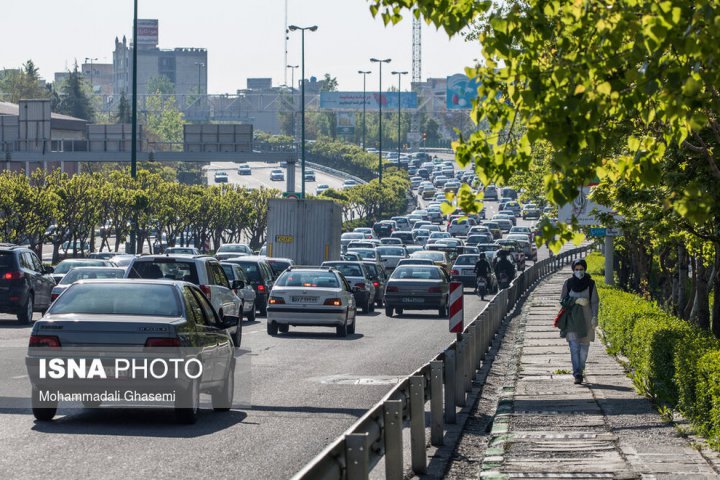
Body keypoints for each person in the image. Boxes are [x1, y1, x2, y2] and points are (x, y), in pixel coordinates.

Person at [560, 259, 599, 384]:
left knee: (584, 348)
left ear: (585, 269)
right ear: (573, 270)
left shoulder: (591, 284)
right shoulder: (568, 283)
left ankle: (580, 368)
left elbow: (595, 302)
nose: (579, 271)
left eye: (581, 269)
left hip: (586, 319)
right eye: (576, 269)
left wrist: (595, 316)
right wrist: (574, 301)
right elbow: (562, 300)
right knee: (574, 347)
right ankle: (577, 373)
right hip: (572, 319)